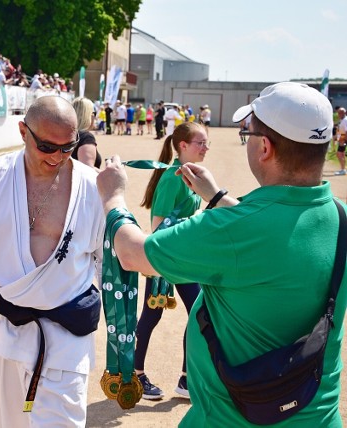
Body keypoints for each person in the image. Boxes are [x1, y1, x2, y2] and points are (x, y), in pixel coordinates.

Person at [97, 82, 345, 427]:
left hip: (231, 419)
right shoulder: (340, 217)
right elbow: (281, 232)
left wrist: (114, 198)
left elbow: (131, 253)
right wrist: (216, 197)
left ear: (265, 148)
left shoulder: (231, 229)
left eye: (249, 132)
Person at [0, 96, 105, 428]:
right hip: (4, 333)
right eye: (46, 147)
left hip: (67, 337)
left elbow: (113, 264)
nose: (57, 157)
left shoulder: (94, 188)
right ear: (23, 131)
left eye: (67, 147)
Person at [135, 122, 209, 401]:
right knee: (153, 316)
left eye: (206, 142)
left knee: (200, 312)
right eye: (200, 142)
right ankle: (136, 374)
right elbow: (157, 226)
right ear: (183, 146)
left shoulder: (192, 174)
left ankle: (186, 378)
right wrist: (196, 222)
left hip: (185, 259)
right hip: (166, 259)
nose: (206, 148)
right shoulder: (171, 178)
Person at [71, 97, 102, 170]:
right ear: (89, 115)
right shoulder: (85, 137)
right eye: (93, 113)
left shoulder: (65, 134)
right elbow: (87, 170)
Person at [334, 107, 346, 175]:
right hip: (341, 139)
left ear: (343, 113)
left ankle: (343, 169)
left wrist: (343, 140)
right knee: (342, 154)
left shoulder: (345, 120)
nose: (338, 114)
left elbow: (346, 131)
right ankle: (343, 169)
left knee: (339, 154)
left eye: (339, 113)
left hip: (342, 140)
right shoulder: (342, 120)